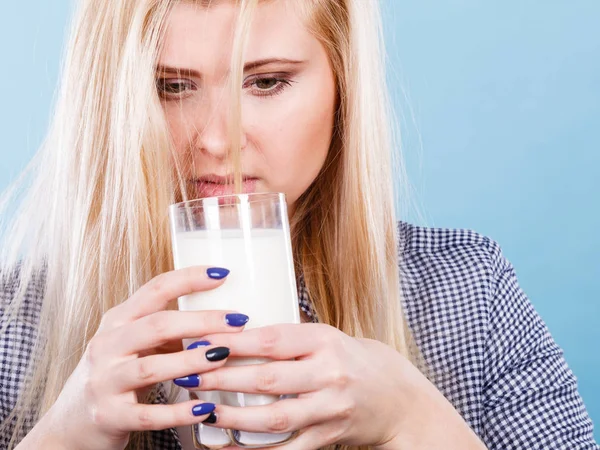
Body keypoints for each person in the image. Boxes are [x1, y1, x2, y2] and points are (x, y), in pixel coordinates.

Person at [0, 0, 597, 449]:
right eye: (172, 87)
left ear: (342, 84)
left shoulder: (463, 295)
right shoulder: (13, 321)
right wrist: (63, 433)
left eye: (265, 82)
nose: (215, 139)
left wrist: (411, 416)